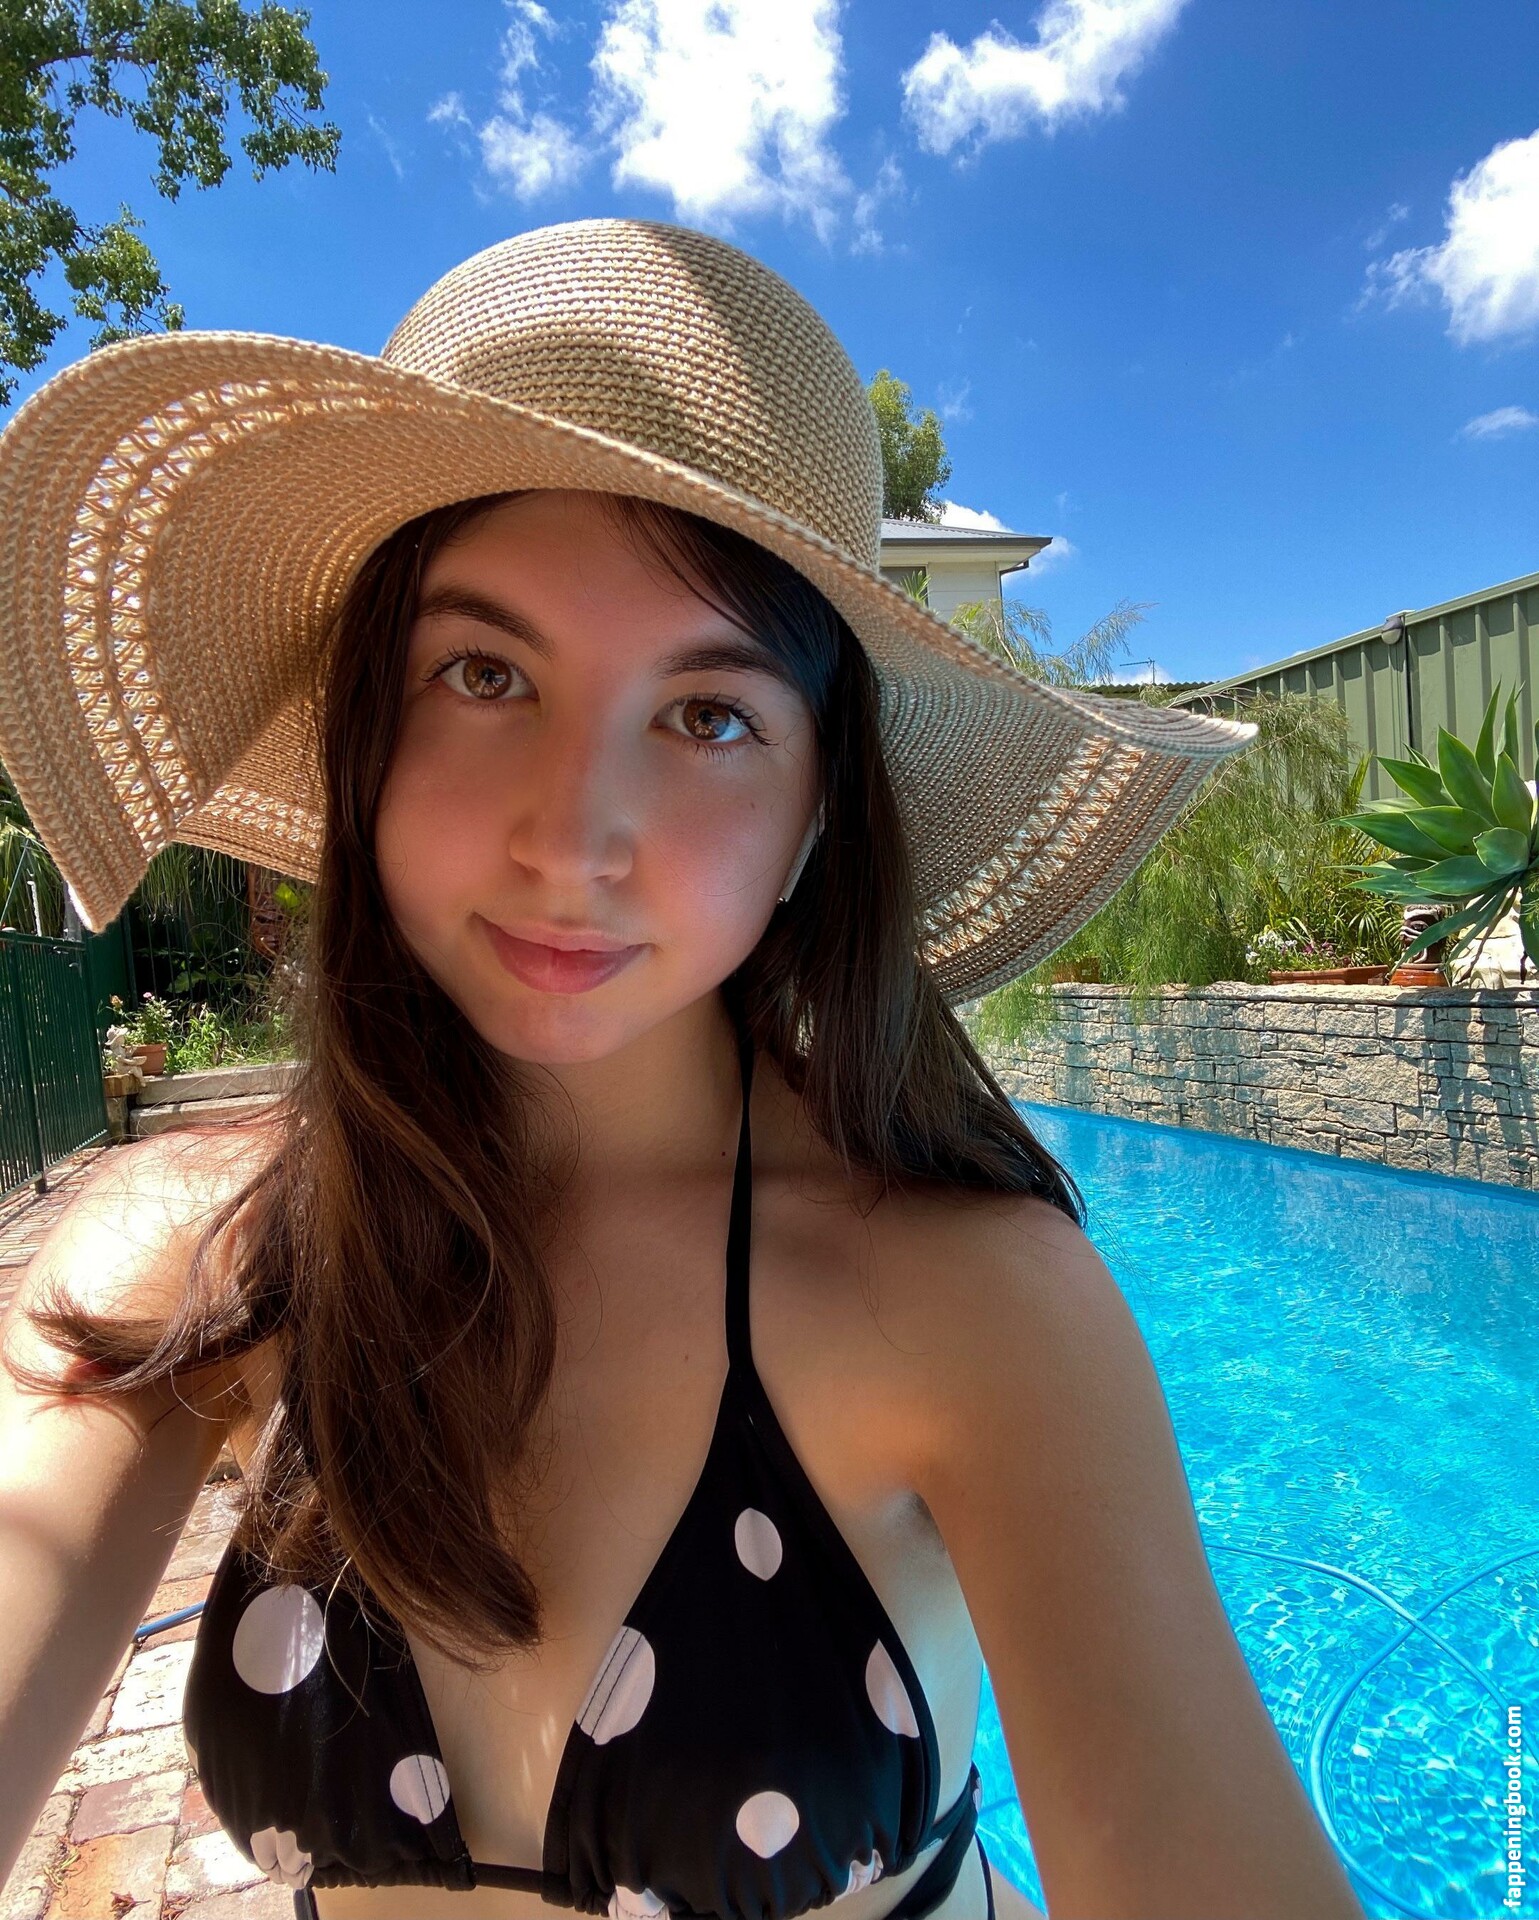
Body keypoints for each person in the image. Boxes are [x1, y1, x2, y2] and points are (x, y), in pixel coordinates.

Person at [0, 219, 1367, 1920]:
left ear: (814, 818)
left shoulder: (974, 1306)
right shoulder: (198, 1262)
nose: (575, 839)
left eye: (710, 714)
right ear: (366, 735)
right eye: (484, 673)